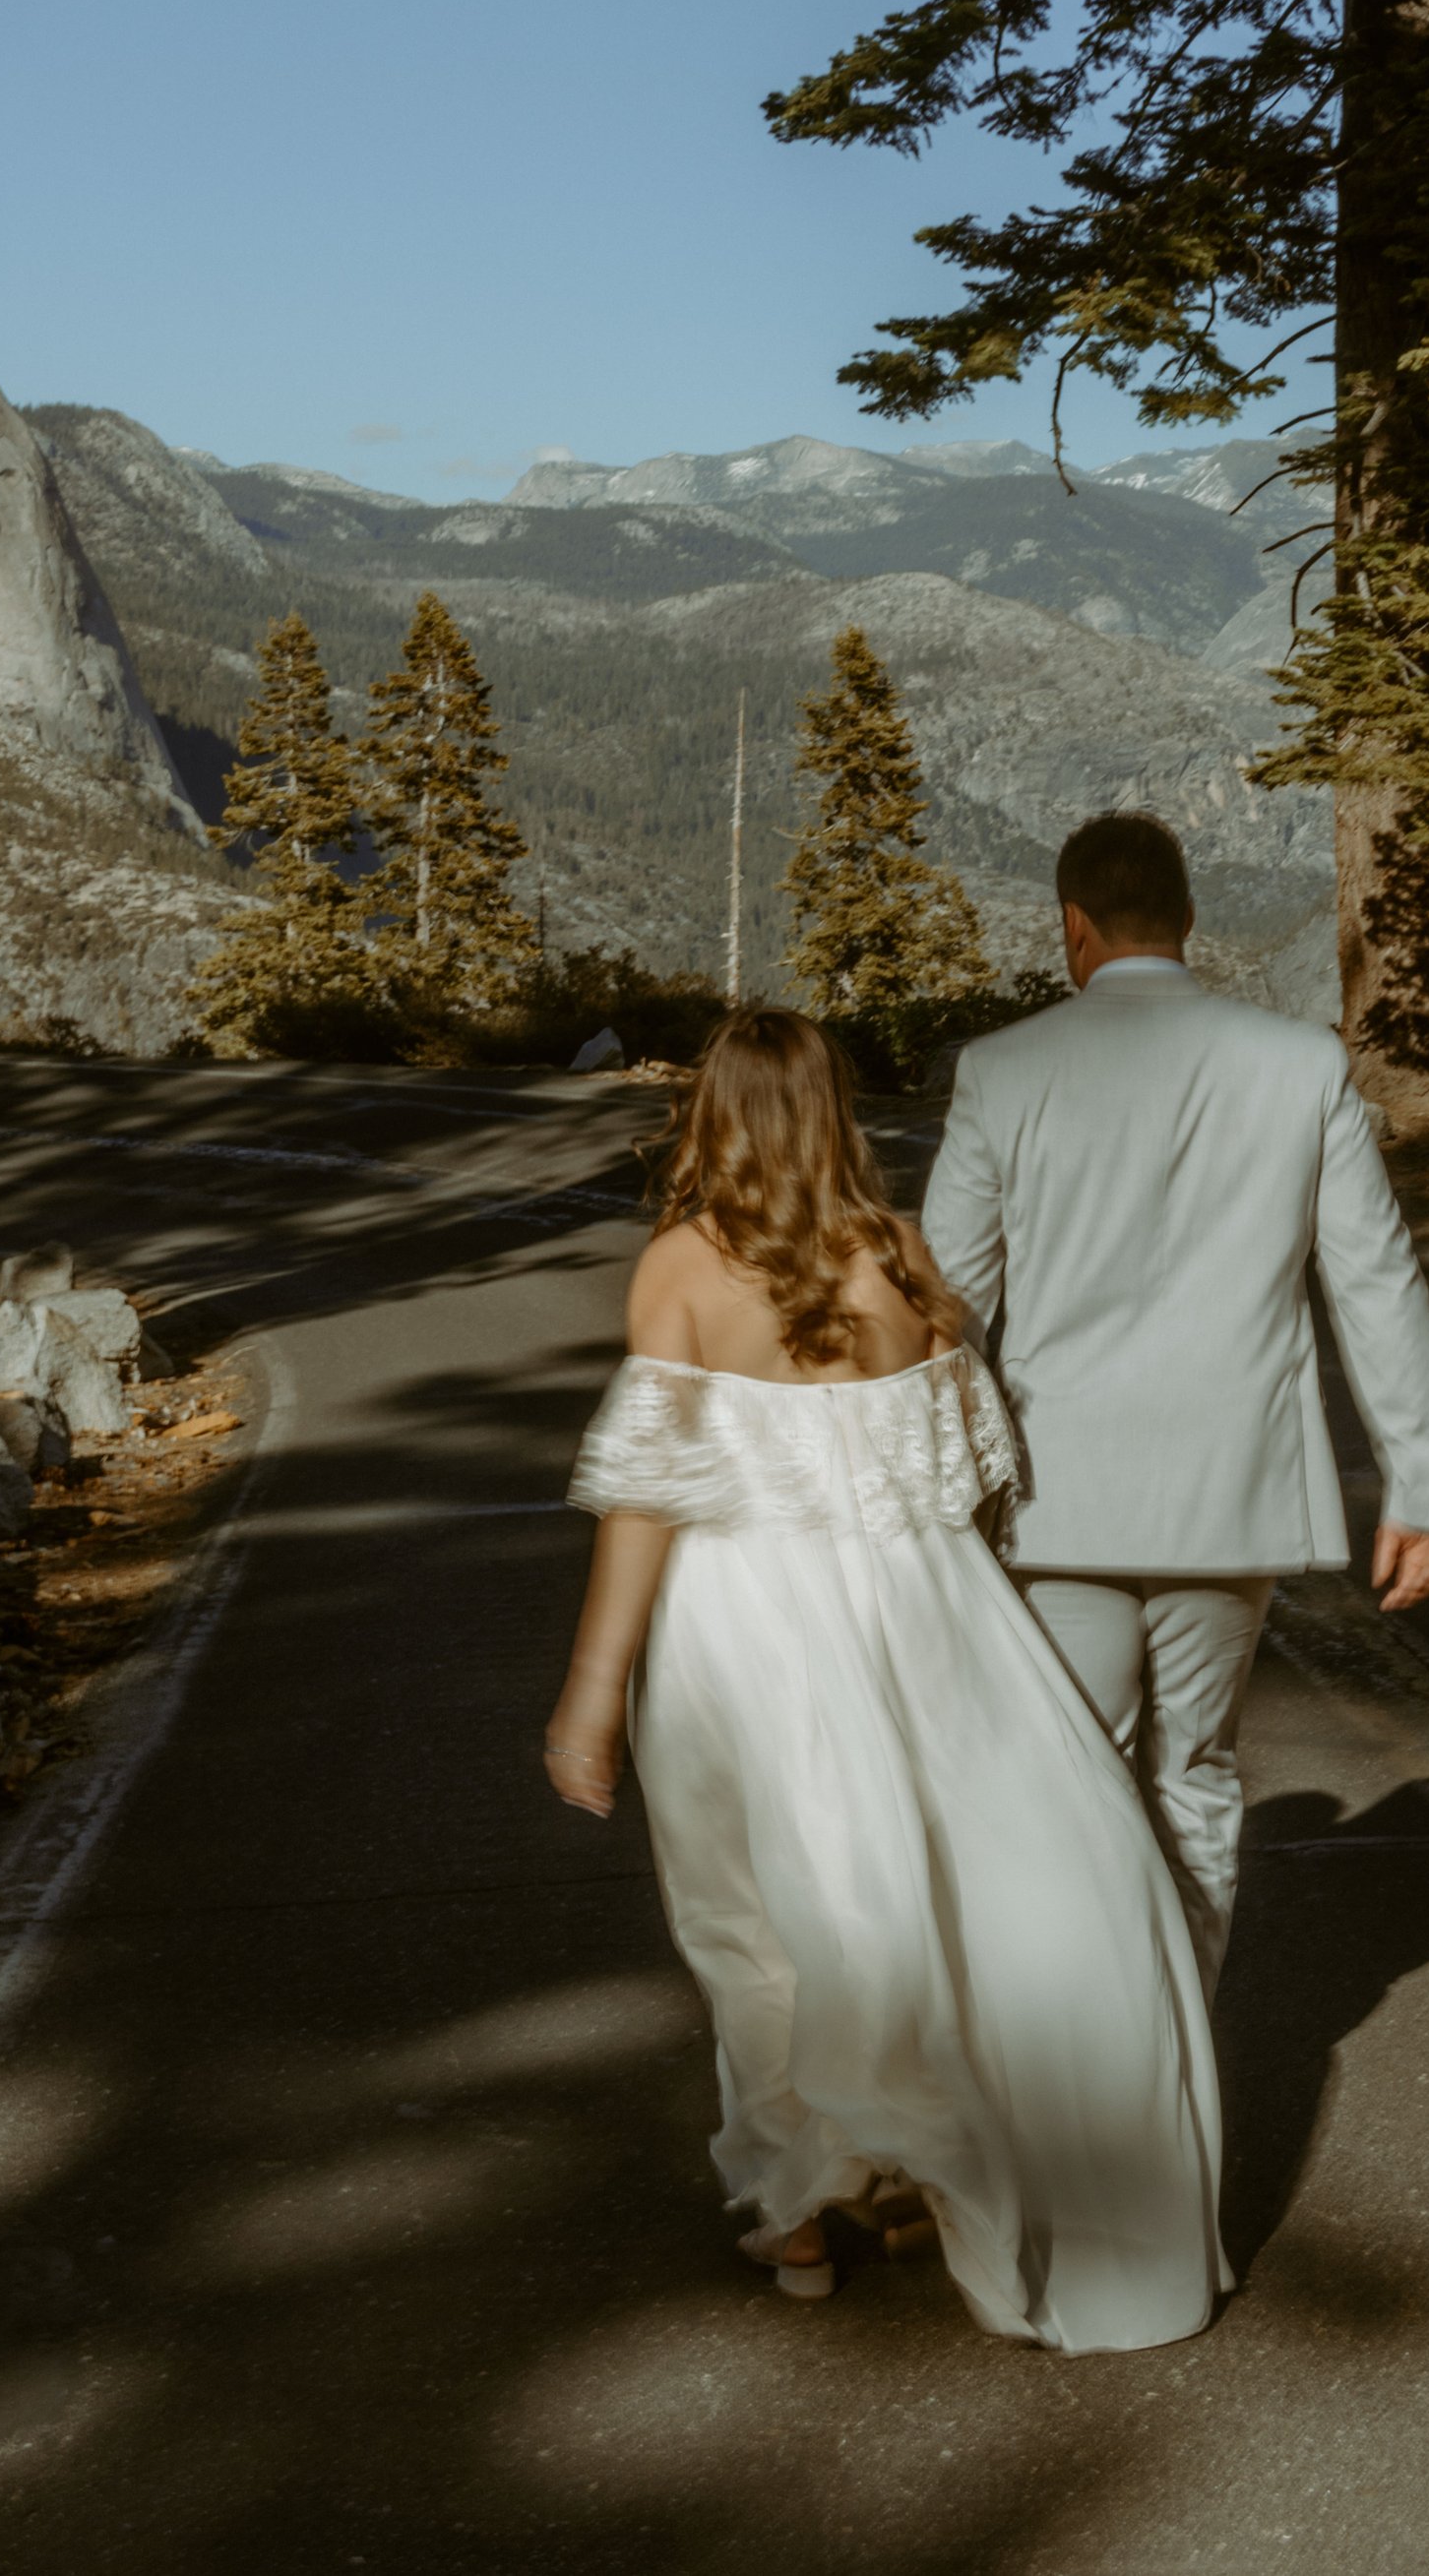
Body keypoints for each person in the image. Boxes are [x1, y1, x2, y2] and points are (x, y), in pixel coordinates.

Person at [543, 1006, 1226, 2355]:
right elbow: (972, 1480)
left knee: (760, 1924)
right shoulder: (902, 1259)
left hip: (751, 1624)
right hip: (928, 1615)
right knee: (923, 1899)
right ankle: (917, 2161)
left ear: (715, 1117)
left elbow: (646, 1503)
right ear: (837, 1117)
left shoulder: (680, 1267)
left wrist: (590, 1688)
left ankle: (801, 2208)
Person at [922, 810, 1429, 2000]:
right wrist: (1422, 1483)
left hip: (1054, 1493)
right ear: (1187, 921)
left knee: (1073, 1786)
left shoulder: (1002, 1069)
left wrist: (911, 1485)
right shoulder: (1296, 1065)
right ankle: (1179, 2067)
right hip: (1230, 1494)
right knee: (1199, 1778)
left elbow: (943, 1306)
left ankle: (1088, 2077)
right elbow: (1372, 1280)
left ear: (1072, 927)